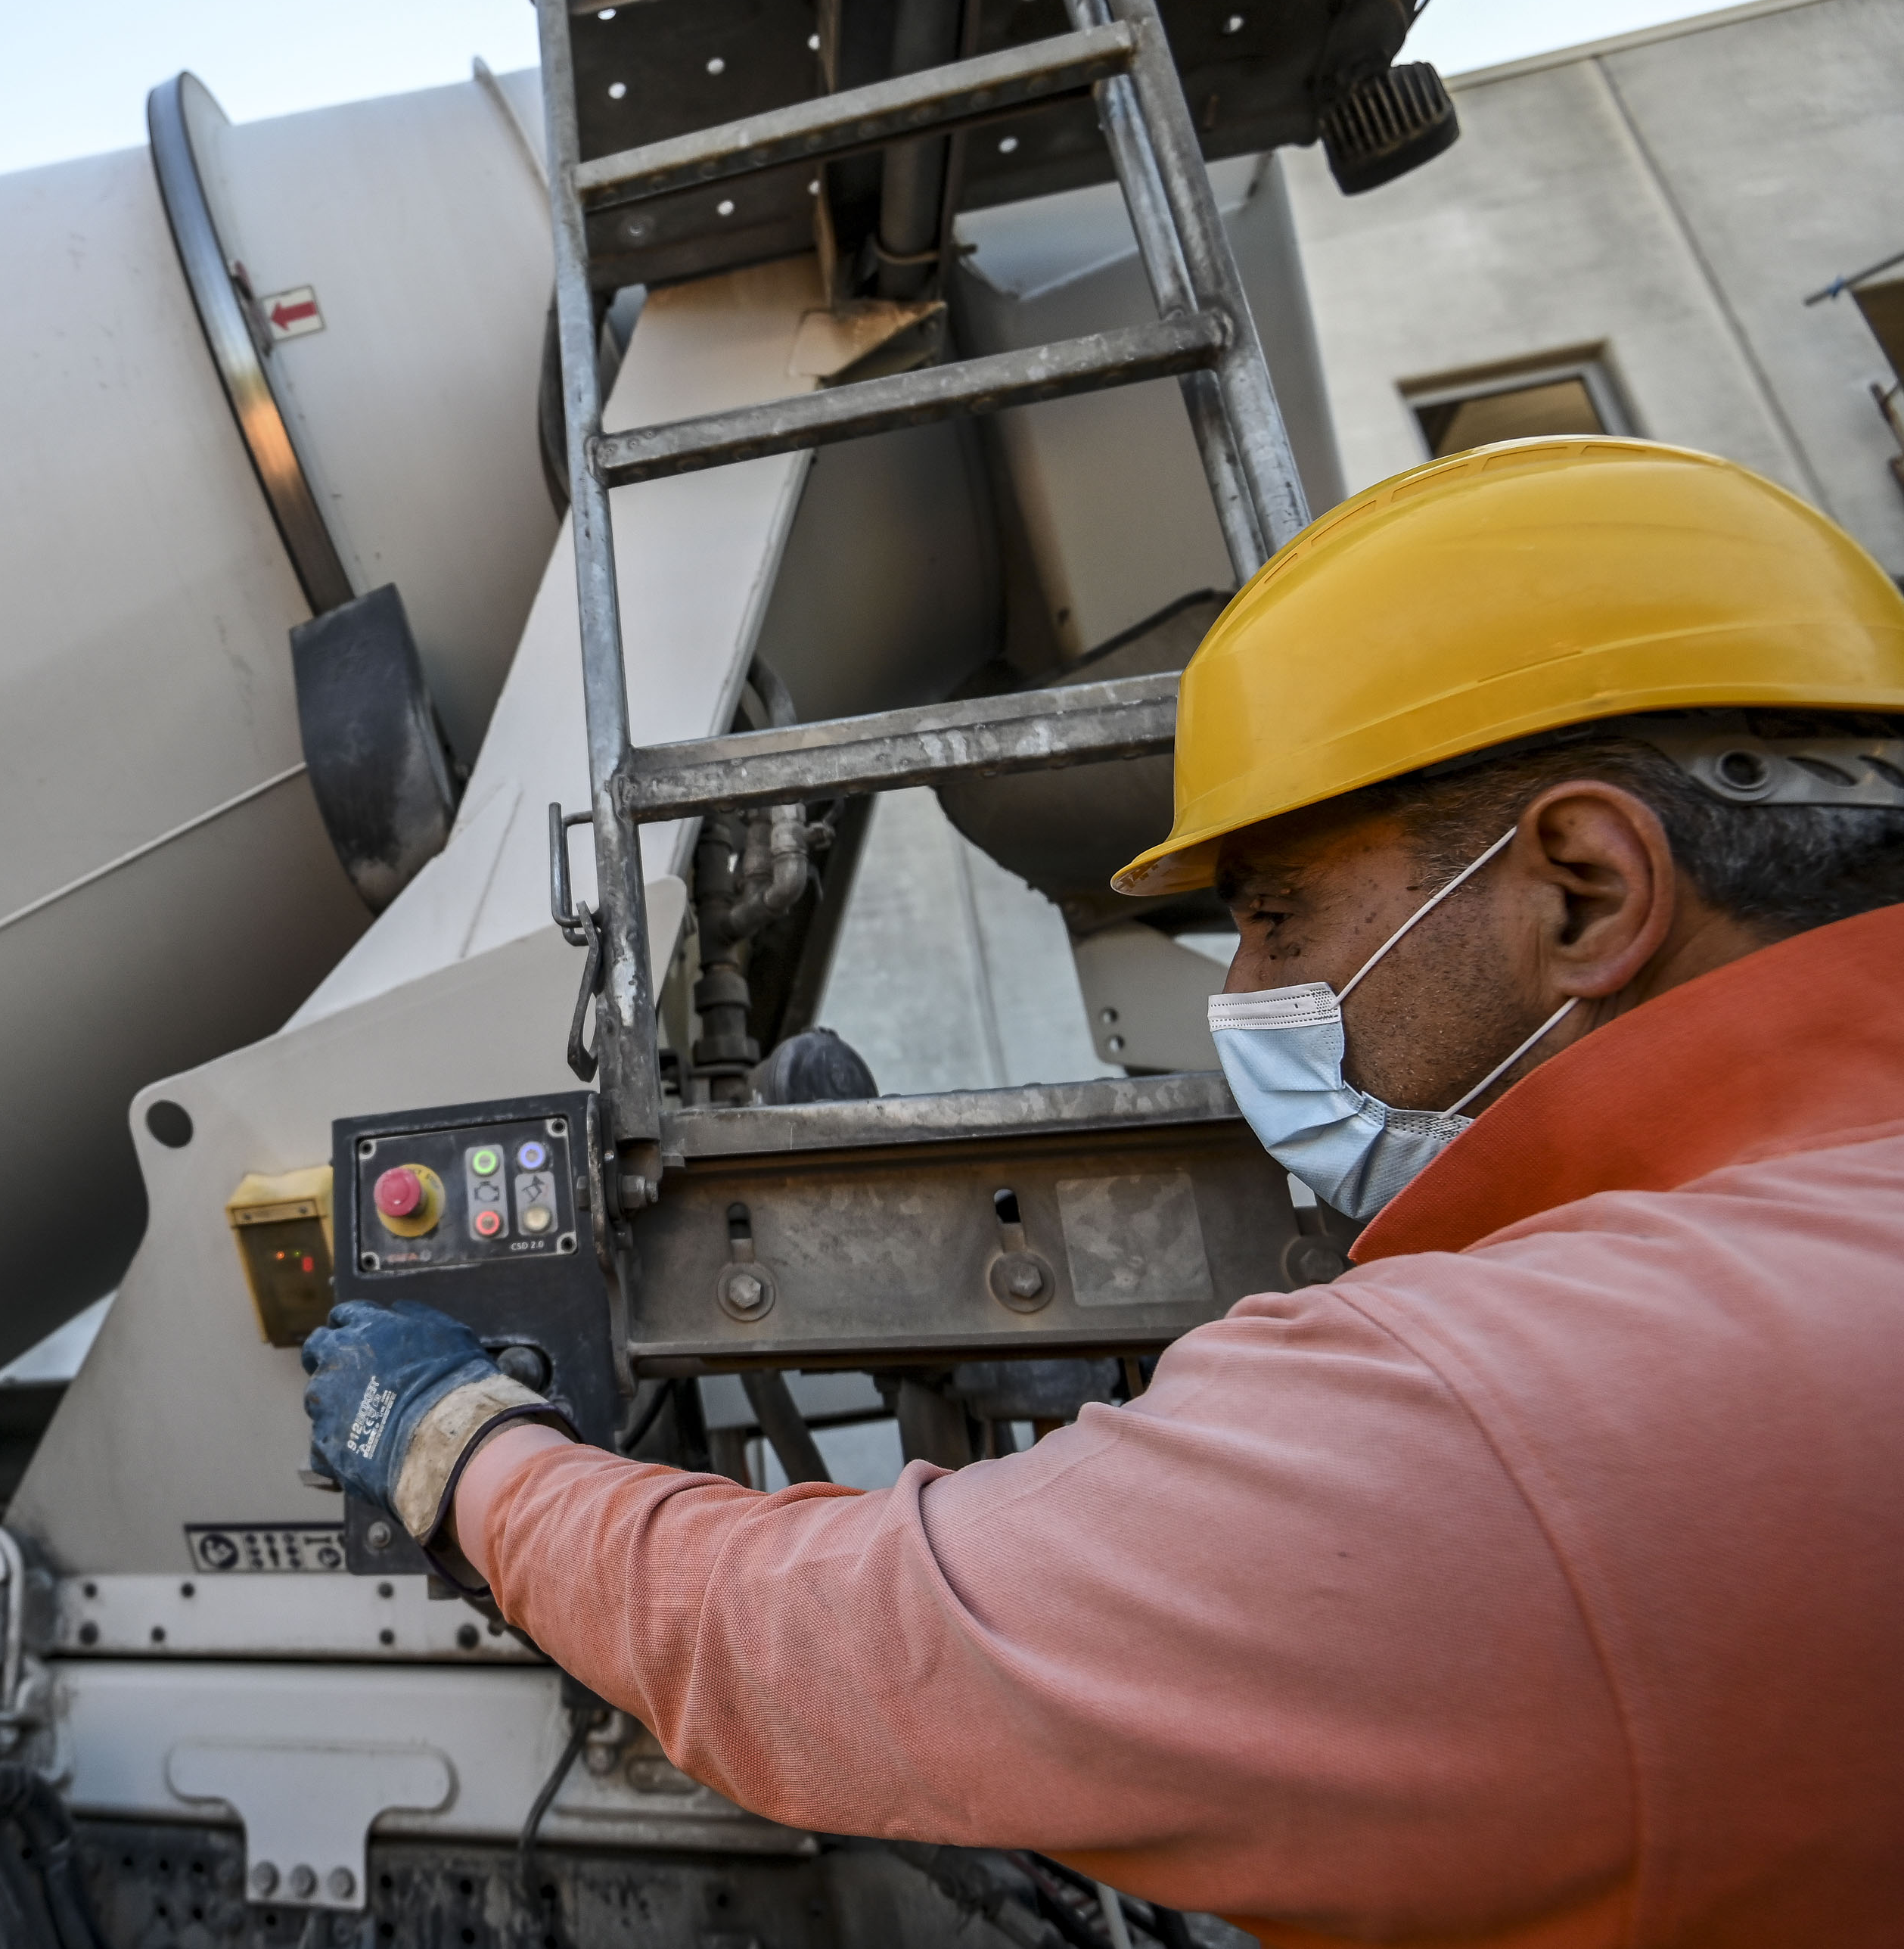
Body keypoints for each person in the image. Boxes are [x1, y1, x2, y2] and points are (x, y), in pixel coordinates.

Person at [303, 438, 1904, 1948]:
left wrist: (459, 1445)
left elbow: (824, 1650)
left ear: (1585, 890)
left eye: (1274, 916)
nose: (1245, 993)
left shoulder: (1501, 1403)